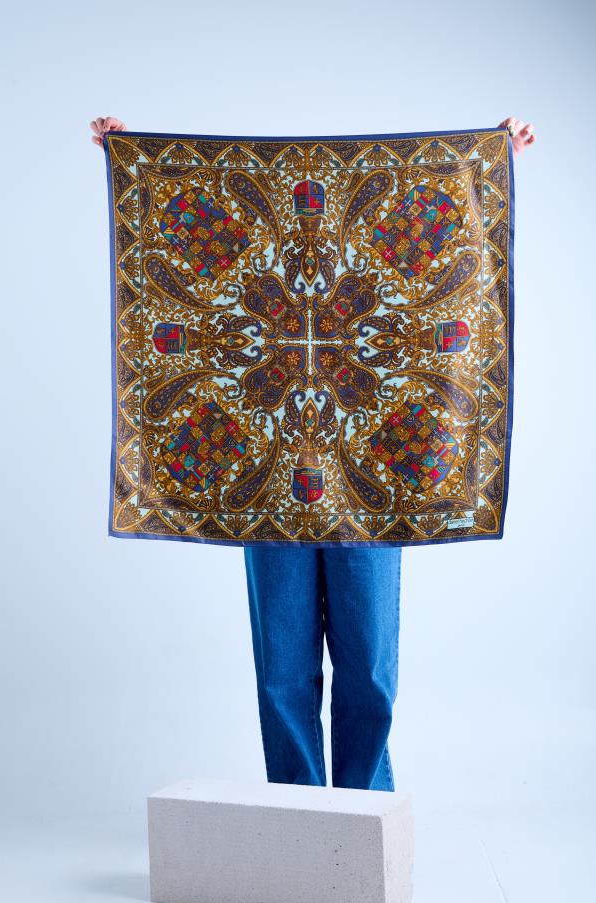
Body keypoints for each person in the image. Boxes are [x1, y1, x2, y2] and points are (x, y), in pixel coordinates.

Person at [91, 115, 536, 792]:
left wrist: (495, 154)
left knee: (368, 666)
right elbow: (196, 231)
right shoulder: (261, 258)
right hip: (269, 485)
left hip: (369, 486)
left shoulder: (378, 246)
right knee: (282, 673)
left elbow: (434, 239)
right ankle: (298, 814)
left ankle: (364, 812)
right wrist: (130, 151)